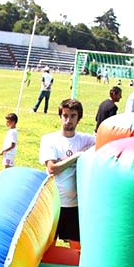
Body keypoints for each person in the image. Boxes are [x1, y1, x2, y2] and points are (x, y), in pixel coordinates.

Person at [38, 99, 96, 250]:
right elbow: (52, 168)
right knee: (48, 247)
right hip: (53, 203)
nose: (68, 120)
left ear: (79, 118)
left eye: (73, 116)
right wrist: (77, 156)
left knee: (77, 249)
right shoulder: (50, 140)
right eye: (65, 115)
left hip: (74, 205)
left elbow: (107, 142)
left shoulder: (86, 140)